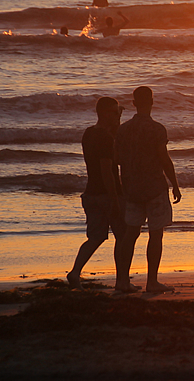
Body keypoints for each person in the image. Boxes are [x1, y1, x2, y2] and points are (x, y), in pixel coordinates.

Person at [116, 86, 182, 293]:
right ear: (152, 102)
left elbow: (117, 159)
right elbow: (164, 159)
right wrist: (175, 184)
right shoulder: (157, 129)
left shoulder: (123, 129)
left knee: (130, 234)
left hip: (132, 188)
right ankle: (151, 282)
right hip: (154, 186)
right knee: (156, 234)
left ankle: (122, 281)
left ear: (134, 104)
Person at [67, 97, 137, 293]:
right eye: (114, 113)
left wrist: (116, 122)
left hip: (91, 193)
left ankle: (75, 271)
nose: (118, 116)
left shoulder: (89, 133)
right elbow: (107, 170)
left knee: (95, 238)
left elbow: (113, 136)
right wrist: (115, 199)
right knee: (123, 237)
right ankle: (122, 281)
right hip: (108, 194)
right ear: (105, 114)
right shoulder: (105, 139)